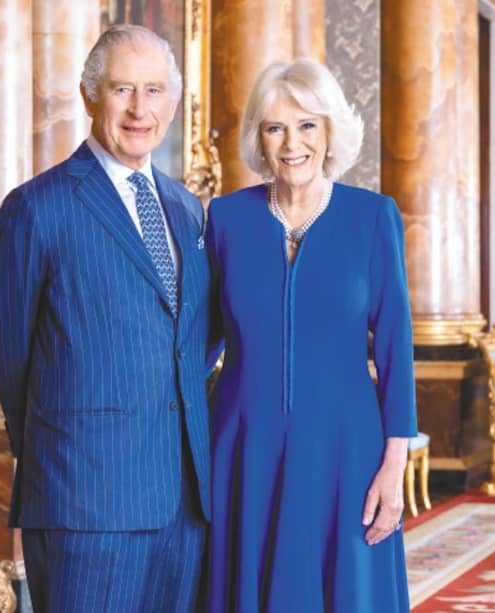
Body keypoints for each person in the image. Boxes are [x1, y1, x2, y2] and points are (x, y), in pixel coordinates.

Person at [0, 24, 215, 613]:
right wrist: (57, 455)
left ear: (174, 102)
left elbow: (193, 339)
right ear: (90, 96)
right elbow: (7, 354)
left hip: (184, 499)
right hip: (83, 500)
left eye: (155, 91)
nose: (141, 109)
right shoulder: (38, 208)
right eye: (123, 90)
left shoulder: (187, 210)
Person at [205, 58, 417, 612]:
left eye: (307, 126)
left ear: (328, 134)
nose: (292, 143)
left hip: (347, 450)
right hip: (245, 446)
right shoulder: (225, 219)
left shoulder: (372, 217)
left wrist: (394, 468)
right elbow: (199, 343)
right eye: (275, 127)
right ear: (259, 137)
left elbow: (395, 347)